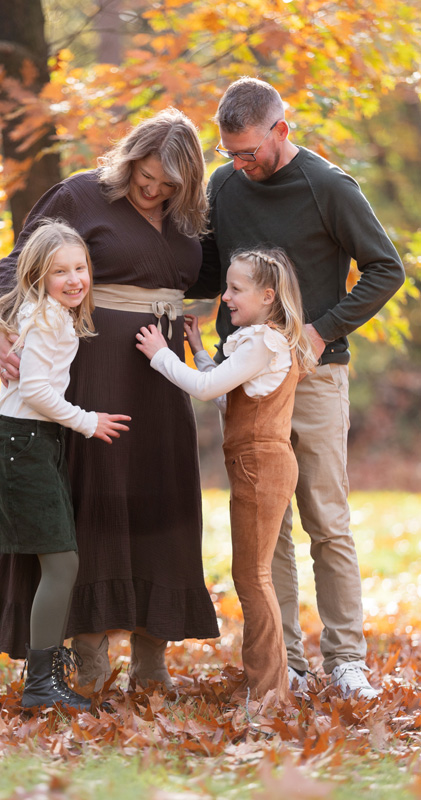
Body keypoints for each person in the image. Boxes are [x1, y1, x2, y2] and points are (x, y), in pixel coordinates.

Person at [0, 108, 220, 691]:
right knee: (97, 503)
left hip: (164, 372)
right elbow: (15, 263)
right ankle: (91, 650)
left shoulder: (191, 219)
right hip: (97, 371)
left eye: (166, 184)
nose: (151, 190)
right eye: (144, 176)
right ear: (130, 158)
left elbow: (204, 278)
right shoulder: (82, 195)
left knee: (165, 501)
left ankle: (154, 655)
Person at [188, 77, 405, 700]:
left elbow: (386, 267)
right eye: (230, 152)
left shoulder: (329, 186)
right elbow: (210, 270)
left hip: (314, 373)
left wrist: (318, 330)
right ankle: (287, 663)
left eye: (249, 150)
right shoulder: (225, 185)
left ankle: (346, 659)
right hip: (248, 375)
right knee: (266, 520)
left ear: (281, 130)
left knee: (325, 518)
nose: (239, 163)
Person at [137, 248, 316, 701]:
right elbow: (227, 400)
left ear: (268, 295)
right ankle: (271, 683)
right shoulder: (260, 341)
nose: (226, 296)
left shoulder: (263, 342)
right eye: (227, 287)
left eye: (236, 289)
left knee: (253, 577)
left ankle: (269, 690)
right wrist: (198, 350)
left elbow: (204, 391)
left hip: (261, 465)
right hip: (257, 464)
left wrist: (162, 354)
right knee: (253, 575)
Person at [0, 220, 130, 710]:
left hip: (33, 443)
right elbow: (36, 390)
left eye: (81, 267)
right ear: (39, 276)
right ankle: (41, 682)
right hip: (24, 445)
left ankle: (45, 676)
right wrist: (87, 421)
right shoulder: (47, 318)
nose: (75, 279)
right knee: (62, 563)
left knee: (61, 562)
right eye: (61, 271)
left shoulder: (53, 314)